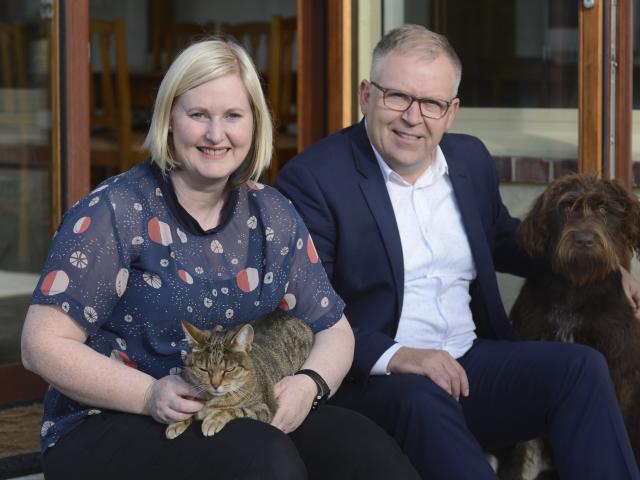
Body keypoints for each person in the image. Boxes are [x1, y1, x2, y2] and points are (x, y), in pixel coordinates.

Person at [21, 38, 419, 480]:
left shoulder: (271, 212)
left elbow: (334, 330)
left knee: (369, 453)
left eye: (233, 115)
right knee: (264, 459)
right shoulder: (116, 210)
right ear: (169, 119)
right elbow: (41, 345)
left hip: (237, 406)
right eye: (198, 115)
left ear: (254, 124)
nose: (216, 134)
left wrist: (310, 384)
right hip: (112, 421)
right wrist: (149, 394)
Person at [275, 24, 640, 479]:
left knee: (581, 369)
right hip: (376, 379)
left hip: (469, 361)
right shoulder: (313, 179)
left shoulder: (468, 160)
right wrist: (402, 355)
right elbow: (306, 314)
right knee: (422, 397)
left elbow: (507, 239)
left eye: (431, 103)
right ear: (366, 95)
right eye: (397, 96)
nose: (414, 117)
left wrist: (608, 266)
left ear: (452, 113)